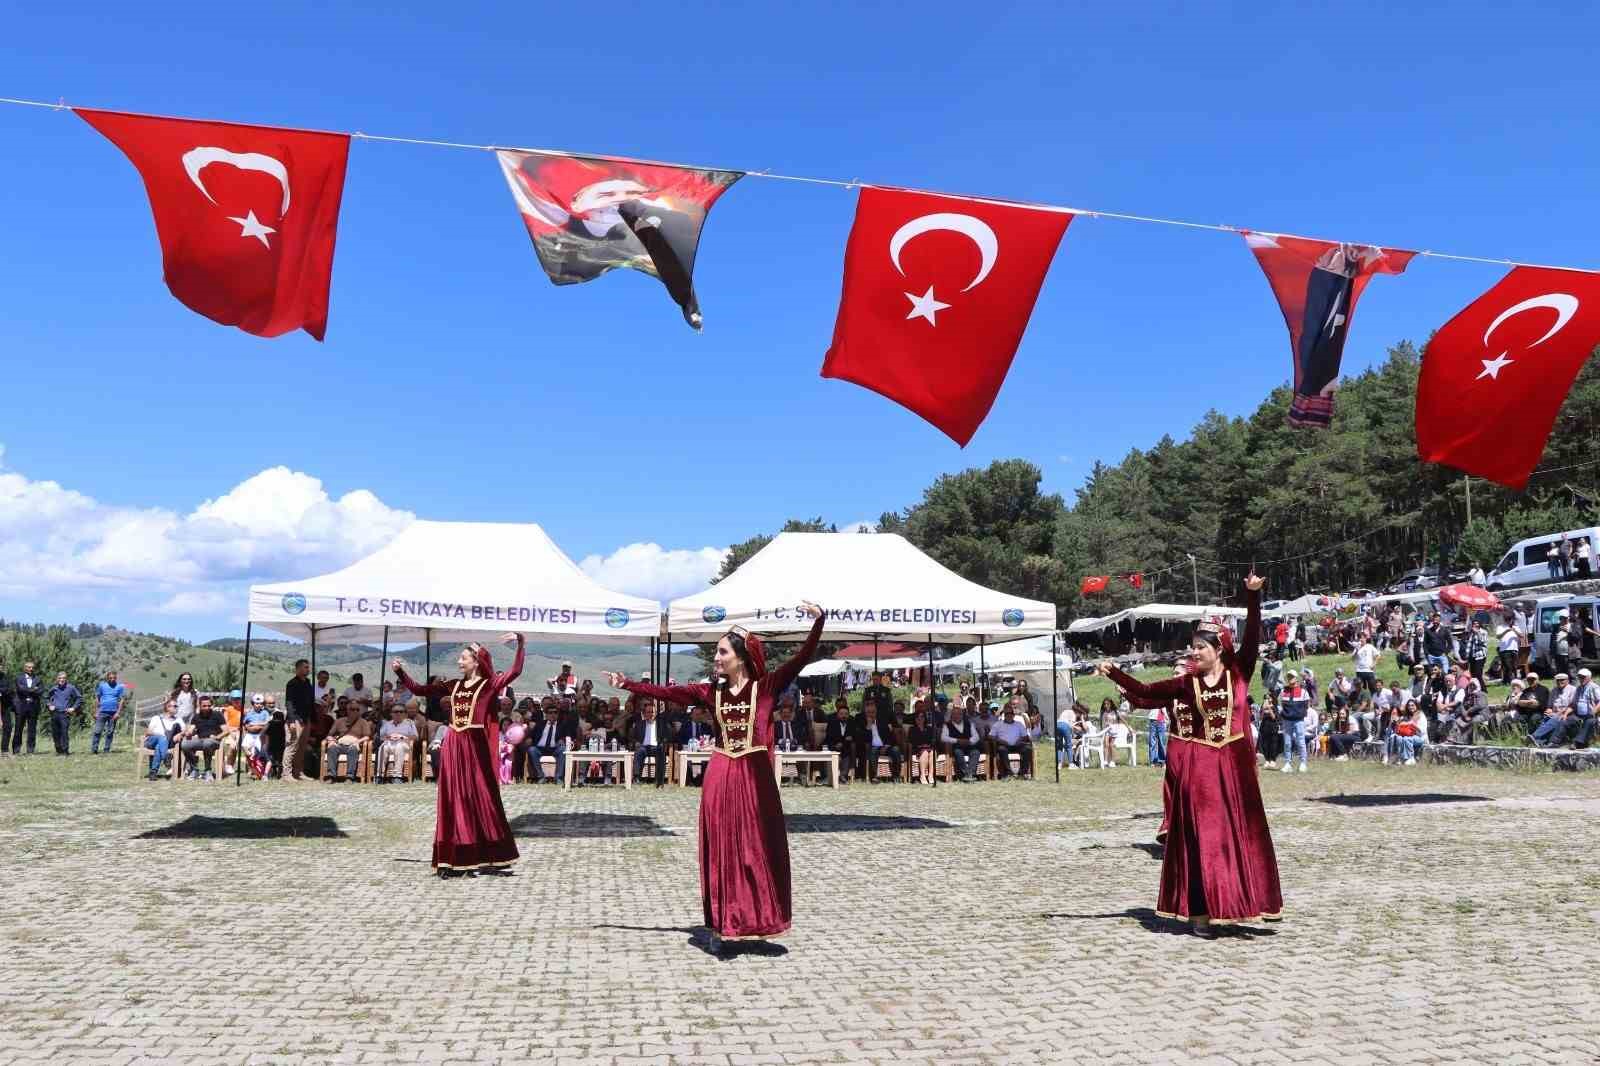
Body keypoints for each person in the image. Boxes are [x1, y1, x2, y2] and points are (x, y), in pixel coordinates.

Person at [605, 602, 826, 951]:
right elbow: (665, 693)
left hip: (755, 776)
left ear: (740, 657)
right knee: (722, 846)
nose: (717, 658)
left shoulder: (766, 687)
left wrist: (819, 621)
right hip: (722, 772)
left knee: (757, 848)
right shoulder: (711, 692)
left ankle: (758, 917)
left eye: (722, 652)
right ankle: (723, 925)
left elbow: (802, 657)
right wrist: (628, 683)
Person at [1099, 574, 1282, 937]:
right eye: (1192, 647)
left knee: (1240, 837)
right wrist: (1115, 674)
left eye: (1201, 647)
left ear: (1219, 648)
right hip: (1200, 769)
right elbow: (1146, 692)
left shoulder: (1240, 672)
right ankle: (1201, 912)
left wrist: (1252, 595)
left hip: (1234, 767)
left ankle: (1242, 904)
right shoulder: (1186, 684)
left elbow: (1252, 636)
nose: (1194, 652)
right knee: (1206, 840)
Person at [395, 633, 526, 877]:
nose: (459, 661)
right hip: (454, 743)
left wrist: (520, 642)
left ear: (476, 661)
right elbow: (420, 689)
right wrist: (401, 673)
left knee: (480, 797)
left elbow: (516, 670)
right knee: (452, 798)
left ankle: (488, 852)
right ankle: (454, 855)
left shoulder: (489, 685)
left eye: (463, 658)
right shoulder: (452, 685)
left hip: (474, 745)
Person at [322, 700, 371, 782]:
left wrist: (357, 742)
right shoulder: (339, 721)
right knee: (332, 748)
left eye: (357, 709)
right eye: (352, 709)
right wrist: (331, 740)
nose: (355, 711)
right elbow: (329, 735)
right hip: (340, 744)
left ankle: (349, 777)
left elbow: (367, 737)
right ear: (347, 710)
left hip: (354, 744)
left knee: (353, 749)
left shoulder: (363, 722)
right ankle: (331, 776)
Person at [855, 700, 901, 783]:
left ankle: (896, 776)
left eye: (873, 712)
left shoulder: (883, 721)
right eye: (868, 712)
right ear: (865, 713)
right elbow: (861, 739)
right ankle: (875, 776)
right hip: (872, 747)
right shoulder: (861, 722)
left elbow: (891, 736)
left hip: (885, 746)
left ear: (876, 712)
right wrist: (868, 726)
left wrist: (886, 745)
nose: (871, 714)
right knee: (873, 751)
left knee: (896, 750)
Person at [526, 703, 573, 784]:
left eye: (555, 712)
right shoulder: (540, 724)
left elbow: (568, 736)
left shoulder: (562, 725)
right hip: (540, 748)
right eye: (550, 713)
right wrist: (529, 739)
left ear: (558, 714)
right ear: (546, 714)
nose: (553, 715)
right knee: (532, 749)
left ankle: (558, 777)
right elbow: (531, 735)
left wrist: (563, 739)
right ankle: (541, 776)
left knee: (563, 749)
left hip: (555, 748)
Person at [180, 696, 224, 779]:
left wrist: (218, 737)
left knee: (207, 743)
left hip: (213, 741)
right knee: (185, 744)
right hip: (200, 740)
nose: (207, 708)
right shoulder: (196, 717)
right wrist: (189, 733)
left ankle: (208, 770)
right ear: (199, 706)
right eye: (204, 706)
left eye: (209, 705)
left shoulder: (217, 715)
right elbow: (191, 729)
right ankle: (194, 769)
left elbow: (226, 731)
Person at [1276, 669, 1311, 773]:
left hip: (1299, 720)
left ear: (1296, 678)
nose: (1290, 678)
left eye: (1292, 676)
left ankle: (1303, 763)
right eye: (1289, 677)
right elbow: (1280, 704)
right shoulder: (1283, 691)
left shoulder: (1303, 691)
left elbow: (1307, 705)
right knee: (1287, 743)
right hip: (1287, 721)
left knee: (1301, 742)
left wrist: (1300, 714)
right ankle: (1287, 763)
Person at [629, 698, 669, 787]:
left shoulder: (660, 724)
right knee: (639, 751)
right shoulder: (640, 724)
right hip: (644, 747)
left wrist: (663, 742)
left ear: (655, 713)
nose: (650, 714)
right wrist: (636, 742)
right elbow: (632, 737)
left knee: (661, 751)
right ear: (644, 713)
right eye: (648, 712)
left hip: (656, 746)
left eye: (652, 712)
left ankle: (659, 779)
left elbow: (667, 736)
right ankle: (636, 778)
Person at [941, 700, 983, 781]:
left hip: (969, 745)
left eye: (959, 714)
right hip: (956, 746)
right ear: (951, 715)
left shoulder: (969, 724)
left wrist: (970, 741)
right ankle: (967, 774)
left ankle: (969, 774)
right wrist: (957, 740)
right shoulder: (947, 725)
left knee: (976, 752)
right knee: (958, 752)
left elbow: (976, 736)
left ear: (962, 715)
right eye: (954, 714)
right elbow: (943, 737)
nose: (957, 716)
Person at [376, 702, 419, 782]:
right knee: (382, 747)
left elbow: (415, 737)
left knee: (399, 746)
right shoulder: (387, 724)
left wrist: (402, 737)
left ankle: (397, 776)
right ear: (391, 714)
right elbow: (379, 737)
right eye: (396, 712)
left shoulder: (409, 723)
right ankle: (379, 776)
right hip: (389, 743)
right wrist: (389, 737)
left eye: (401, 711)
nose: (398, 713)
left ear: (405, 714)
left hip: (404, 744)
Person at [90, 670, 128, 755]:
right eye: (110, 678)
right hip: (102, 712)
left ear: (116, 678)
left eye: (114, 678)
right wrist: (96, 711)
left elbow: (122, 700)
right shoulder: (102, 686)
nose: (112, 679)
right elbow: (97, 698)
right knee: (97, 731)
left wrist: (118, 712)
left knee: (110, 732)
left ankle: (106, 750)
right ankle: (94, 749)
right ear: (107, 678)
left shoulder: (119, 687)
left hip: (113, 713)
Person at [143, 698, 182, 779]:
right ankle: (166, 758)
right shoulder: (156, 718)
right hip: (151, 741)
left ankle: (153, 772)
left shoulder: (178, 720)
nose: (176, 708)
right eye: (174, 706)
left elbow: (185, 730)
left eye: (176, 706)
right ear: (167, 707)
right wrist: (160, 735)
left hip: (166, 744)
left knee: (158, 747)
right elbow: (148, 732)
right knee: (162, 738)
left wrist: (180, 734)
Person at [46, 671, 81, 756]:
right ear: (57, 679)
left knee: (64, 732)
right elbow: (46, 697)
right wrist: (49, 705)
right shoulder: (54, 688)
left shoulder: (71, 688)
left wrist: (73, 708)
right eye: (60, 678)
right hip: (54, 713)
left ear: (66, 679)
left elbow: (79, 698)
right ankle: (59, 750)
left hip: (65, 713)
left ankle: (65, 751)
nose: (62, 680)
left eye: (64, 678)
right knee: (55, 733)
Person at [823, 701, 857, 784]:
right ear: (838, 715)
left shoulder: (851, 723)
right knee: (837, 753)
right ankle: (831, 777)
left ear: (848, 715)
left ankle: (843, 776)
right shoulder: (832, 723)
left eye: (846, 714)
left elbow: (853, 736)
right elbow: (829, 738)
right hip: (833, 746)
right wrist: (836, 745)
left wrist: (843, 742)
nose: (844, 716)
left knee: (848, 751)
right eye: (841, 714)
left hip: (846, 748)